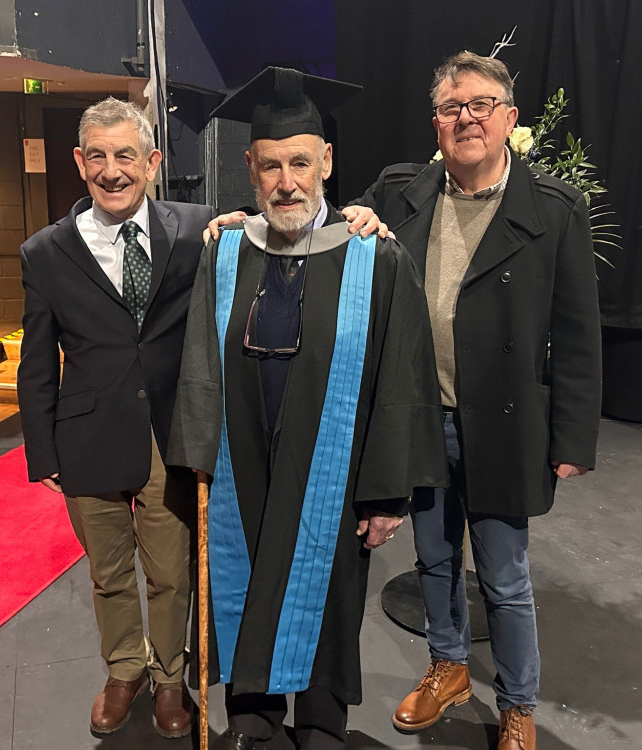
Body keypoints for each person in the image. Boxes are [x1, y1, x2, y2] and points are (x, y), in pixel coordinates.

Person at [166, 67, 448, 750]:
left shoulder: (375, 257)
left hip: (334, 471)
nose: (286, 181)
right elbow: (201, 361)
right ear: (250, 169)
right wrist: (198, 460)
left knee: (327, 595)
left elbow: (400, 381)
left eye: (299, 162)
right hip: (243, 465)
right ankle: (255, 722)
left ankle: (322, 722)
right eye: (270, 166)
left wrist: (386, 494)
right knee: (241, 580)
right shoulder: (226, 250)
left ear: (326, 161)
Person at [351, 51, 603, 750]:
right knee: (433, 559)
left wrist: (572, 440)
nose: (466, 118)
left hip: (504, 425)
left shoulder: (553, 210)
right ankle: (448, 668)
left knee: (504, 574)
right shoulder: (400, 192)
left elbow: (578, 334)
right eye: (451, 107)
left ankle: (518, 703)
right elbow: (343, 240)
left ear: (509, 119)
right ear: (435, 124)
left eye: (480, 104)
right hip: (421, 418)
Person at [16, 97, 215, 739]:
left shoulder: (198, 230)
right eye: (96, 156)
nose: (111, 170)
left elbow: (271, 231)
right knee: (107, 574)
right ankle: (123, 670)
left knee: (170, 571)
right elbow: (36, 360)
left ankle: (167, 680)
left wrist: (355, 218)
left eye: (124, 155)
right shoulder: (44, 252)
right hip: (87, 438)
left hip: (169, 435)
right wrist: (41, 452)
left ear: (152, 162)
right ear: (78, 162)